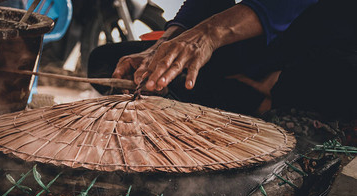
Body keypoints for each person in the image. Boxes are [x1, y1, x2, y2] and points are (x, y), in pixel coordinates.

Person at [88, 0, 357, 121]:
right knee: (106, 61)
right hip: (263, 44)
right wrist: (160, 49)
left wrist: (208, 34)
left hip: (328, 47)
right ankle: (254, 94)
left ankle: (276, 98)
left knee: (325, 79)